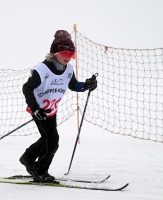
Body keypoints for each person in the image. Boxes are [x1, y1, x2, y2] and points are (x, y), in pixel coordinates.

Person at [20, 30, 97, 183]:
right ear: (54, 52)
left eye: (71, 54)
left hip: (51, 110)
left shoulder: (68, 70)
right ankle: (40, 171)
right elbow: (26, 88)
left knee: (47, 138)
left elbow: (73, 85)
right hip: (39, 110)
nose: (68, 57)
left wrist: (86, 85)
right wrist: (35, 108)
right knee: (53, 140)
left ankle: (28, 159)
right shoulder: (42, 70)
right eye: (64, 53)